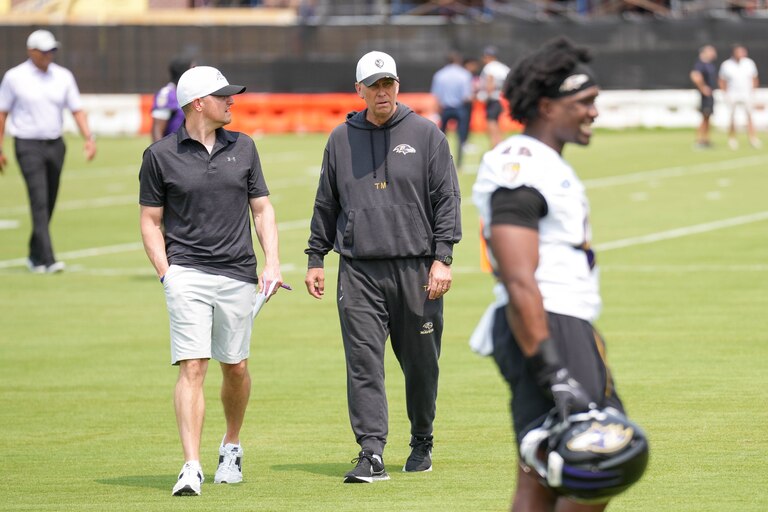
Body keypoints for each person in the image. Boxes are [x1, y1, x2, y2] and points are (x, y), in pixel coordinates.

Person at [472, 38, 631, 511]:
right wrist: (553, 368)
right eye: (583, 103)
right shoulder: (521, 164)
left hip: (560, 321)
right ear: (546, 106)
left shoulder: (544, 163)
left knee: (541, 473)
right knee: (600, 462)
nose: (593, 113)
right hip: (548, 324)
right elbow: (517, 276)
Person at [304, 50, 462, 483]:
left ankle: (422, 439)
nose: (382, 92)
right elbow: (326, 202)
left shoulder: (427, 134)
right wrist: (316, 257)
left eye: (388, 83)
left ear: (397, 85)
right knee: (363, 362)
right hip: (358, 271)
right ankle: (371, 452)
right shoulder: (339, 139)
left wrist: (443, 257)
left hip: (417, 270)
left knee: (421, 364)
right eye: (373, 85)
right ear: (359, 91)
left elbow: (447, 199)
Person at [139, 65, 283, 496]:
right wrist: (167, 275)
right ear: (199, 103)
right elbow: (150, 221)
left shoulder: (245, 147)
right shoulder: (159, 156)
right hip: (186, 275)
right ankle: (191, 465)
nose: (232, 101)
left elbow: (262, 210)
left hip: (238, 273)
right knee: (193, 367)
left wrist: (271, 262)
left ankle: (231, 446)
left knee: (235, 367)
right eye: (224, 96)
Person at [0, 29, 97, 273]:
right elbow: (2, 112)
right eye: (44, 51)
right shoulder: (15, 77)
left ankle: (34, 254)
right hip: (27, 143)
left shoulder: (63, 76)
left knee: (50, 200)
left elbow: (76, 109)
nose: (48, 55)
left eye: (52, 50)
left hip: (55, 144)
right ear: (31, 51)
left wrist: (89, 137)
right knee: (39, 200)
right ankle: (48, 258)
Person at [430, 51, 473, 169]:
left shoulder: (439, 75)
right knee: (461, 136)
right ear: (458, 61)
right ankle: (459, 163)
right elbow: (466, 96)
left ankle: (440, 162)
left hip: (445, 109)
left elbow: (436, 96)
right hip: (460, 108)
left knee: (441, 137)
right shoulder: (464, 74)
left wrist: (438, 111)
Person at [718, 44, 761, 150]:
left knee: (749, 116)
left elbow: (754, 78)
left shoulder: (749, 63)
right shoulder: (726, 64)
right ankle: (732, 139)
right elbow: (722, 80)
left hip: (747, 94)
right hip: (732, 94)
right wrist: (725, 93)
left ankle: (753, 139)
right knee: (732, 117)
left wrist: (753, 91)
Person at [151, 57, 195, 142]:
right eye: (192, 68)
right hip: (174, 150)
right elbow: (157, 129)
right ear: (184, 71)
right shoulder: (167, 94)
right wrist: (159, 154)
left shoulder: (191, 92)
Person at [478, 45, 510, 149]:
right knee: (496, 123)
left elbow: (490, 81)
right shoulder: (502, 67)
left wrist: (486, 95)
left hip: (493, 99)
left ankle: (496, 145)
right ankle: (501, 144)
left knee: (491, 123)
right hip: (502, 98)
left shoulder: (490, 67)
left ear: (487, 56)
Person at [689, 44, 718, 149]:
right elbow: (695, 76)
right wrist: (703, 88)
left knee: (708, 117)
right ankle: (699, 140)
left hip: (711, 94)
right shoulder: (700, 64)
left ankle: (706, 139)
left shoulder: (710, 64)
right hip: (705, 95)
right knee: (704, 116)